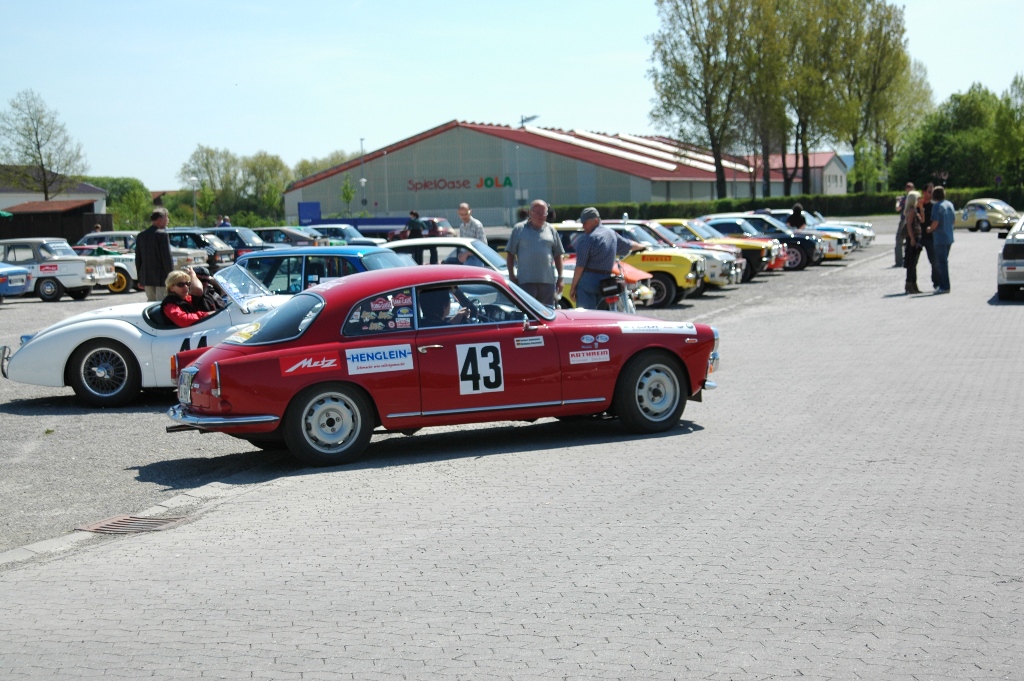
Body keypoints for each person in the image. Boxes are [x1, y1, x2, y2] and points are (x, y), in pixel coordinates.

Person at [569, 207, 645, 309]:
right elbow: (629, 244)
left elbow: (580, 266)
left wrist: (573, 287)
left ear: (595, 221)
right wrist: (642, 246)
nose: (583, 226)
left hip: (588, 282)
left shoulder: (588, 239)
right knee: (603, 314)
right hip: (606, 282)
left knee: (586, 315)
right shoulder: (611, 234)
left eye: (585, 223)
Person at [505, 199, 564, 307]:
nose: (541, 216)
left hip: (547, 282)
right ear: (530, 212)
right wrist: (511, 276)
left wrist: (560, 278)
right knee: (527, 311)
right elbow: (510, 254)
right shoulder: (519, 229)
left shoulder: (551, 230)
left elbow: (558, 255)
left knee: (547, 312)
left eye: (544, 213)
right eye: (538, 213)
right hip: (525, 282)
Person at [135, 207, 175, 301]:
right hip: (162, 278)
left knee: (151, 304)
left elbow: (138, 259)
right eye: (166, 218)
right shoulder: (162, 235)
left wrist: (140, 279)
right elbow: (166, 259)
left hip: (147, 278)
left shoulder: (141, 236)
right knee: (162, 303)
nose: (168, 220)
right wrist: (172, 278)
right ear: (159, 220)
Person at [927, 185, 955, 294]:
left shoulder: (937, 206)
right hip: (949, 236)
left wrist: (930, 229)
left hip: (940, 238)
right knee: (944, 261)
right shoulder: (949, 204)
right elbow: (953, 221)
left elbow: (935, 222)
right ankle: (944, 285)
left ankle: (944, 286)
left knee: (941, 263)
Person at [917, 183, 939, 291]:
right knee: (913, 262)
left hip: (931, 237)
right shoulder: (917, 205)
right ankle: (911, 284)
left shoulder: (934, 205)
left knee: (934, 262)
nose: (931, 194)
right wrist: (920, 207)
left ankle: (936, 283)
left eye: (933, 192)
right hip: (919, 236)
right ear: (924, 192)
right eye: (930, 192)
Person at [902, 191, 922, 294]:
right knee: (912, 263)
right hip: (913, 237)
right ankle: (910, 284)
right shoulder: (912, 211)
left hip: (916, 236)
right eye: (918, 199)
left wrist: (921, 208)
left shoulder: (915, 210)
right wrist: (912, 238)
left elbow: (922, 220)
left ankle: (913, 284)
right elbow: (909, 225)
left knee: (914, 263)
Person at [895, 182, 914, 267]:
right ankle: (910, 259)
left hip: (904, 220)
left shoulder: (904, 199)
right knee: (911, 240)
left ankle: (899, 261)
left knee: (899, 240)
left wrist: (898, 201)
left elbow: (898, 208)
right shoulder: (916, 198)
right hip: (914, 221)